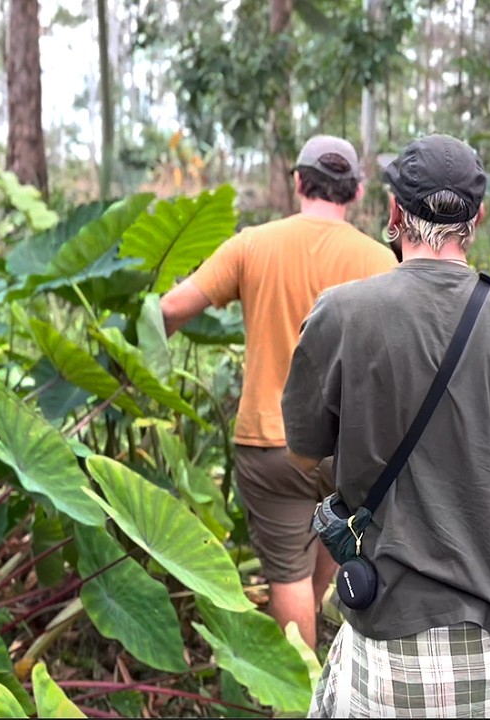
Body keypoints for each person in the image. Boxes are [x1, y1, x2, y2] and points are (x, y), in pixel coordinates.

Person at [281, 134, 490, 717]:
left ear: (396, 212)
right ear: (476, 218)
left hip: (387, 644)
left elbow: (304, 452)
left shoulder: (341, 314)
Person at [160, 135, 398, 648]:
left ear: (297, 183)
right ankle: (315, 678)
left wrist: (129, 363)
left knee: (288, 578)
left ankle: (296, 696)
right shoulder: (382, 261)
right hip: (350, 450)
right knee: (332, 545)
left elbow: (170, 311)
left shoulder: (252, 244)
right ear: (356, 193)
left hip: (271, 442)